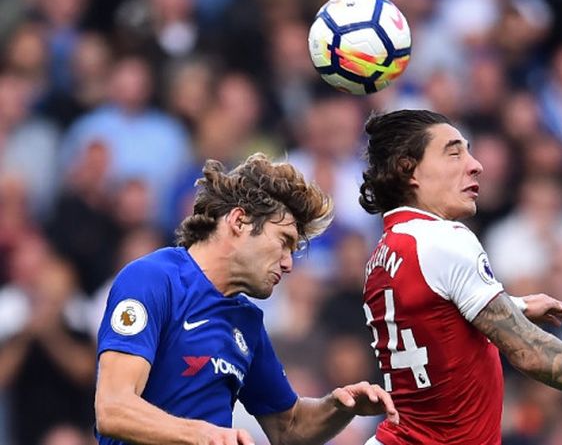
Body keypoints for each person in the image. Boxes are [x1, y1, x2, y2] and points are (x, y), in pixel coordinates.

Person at [358, 109, 562, 445]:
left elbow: (435, 322)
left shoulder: (383, 253)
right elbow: (529, 351)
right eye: (454, 153)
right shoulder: (446, 239)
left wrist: (514, 305)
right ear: (408, 169)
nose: (475, 165)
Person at [94, 153, 399, 445]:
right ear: (239, 221)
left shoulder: (246, 320)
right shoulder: (153, 280)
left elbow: (289, 428)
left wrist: (340, 407)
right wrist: (202, 435)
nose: (288, 263)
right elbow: (113, 409)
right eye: (284, 242)